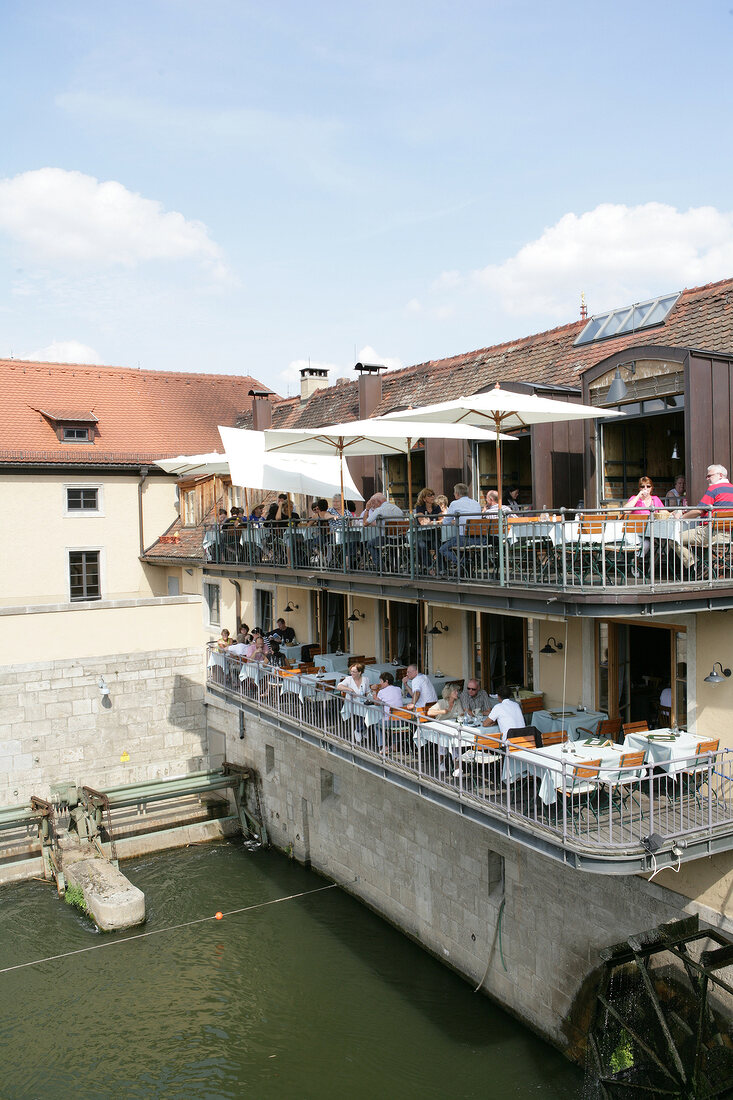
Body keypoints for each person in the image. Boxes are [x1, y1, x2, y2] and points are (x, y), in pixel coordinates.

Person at [678, 464, 733, 566]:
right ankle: (706, 567)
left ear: (720, 475)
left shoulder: (714, 489)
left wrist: (681, 517)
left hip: (711, 533)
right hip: (729, 535)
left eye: (709, 476)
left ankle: (695, 566)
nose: (707, 479)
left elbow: (699, 511)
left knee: (675, 538)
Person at [439, 483, 482, 571]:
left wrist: (453, 521)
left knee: (443, 549)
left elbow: (446, 521)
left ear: (457, 494)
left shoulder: (455, 503)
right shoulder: (476, 503)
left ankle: (463, 562)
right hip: (480, 539)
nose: (454, 494)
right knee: (457, 542)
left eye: (454, 492)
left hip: (465, 539)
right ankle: (467, 564)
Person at [363, 493, 404, 569]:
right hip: (400, 539)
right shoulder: (398, 509)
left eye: (373, 503)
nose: (373, 505)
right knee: (393, 545)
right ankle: (395, 566)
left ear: (378, 502)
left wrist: (367, 509)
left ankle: (380, 566)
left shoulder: (379, 510)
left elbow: (365, 523)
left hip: (387, 539)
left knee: (370, 543)